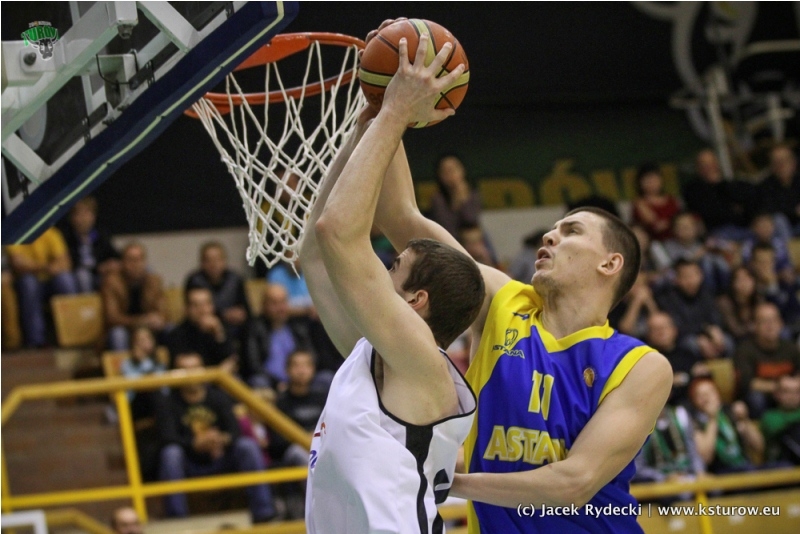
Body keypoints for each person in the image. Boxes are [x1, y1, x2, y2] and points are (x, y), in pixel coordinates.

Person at [368, 21, 672, 533]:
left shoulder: (640, 366)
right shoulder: (505, 301)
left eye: (571, 231)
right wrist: (387, 103)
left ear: (610, 263)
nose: (550, 236)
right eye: (552, 229)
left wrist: (443, 479)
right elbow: (401, 218)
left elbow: (573, 483)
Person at [298, 37, 484, 533]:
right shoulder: (377, 354)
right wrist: (370, 124)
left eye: (394, 264)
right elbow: (314, 255)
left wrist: (396, 113)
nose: (381, 268)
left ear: (417, 301)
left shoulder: (421, 361)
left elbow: (336, 233)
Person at [155, 351, 276, 523]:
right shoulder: (167, 401)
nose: (190, 374)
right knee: (171, 453)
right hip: (190, 462)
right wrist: (195, 444)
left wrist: (220, 439)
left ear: (204, 370)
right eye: (184, 369)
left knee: (247, 446)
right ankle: (177, 520)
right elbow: (167, 437)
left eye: (195, 368)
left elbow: (234, 431)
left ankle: (264, 512)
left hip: (221, 456)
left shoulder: (217, 396)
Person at [268, 350, 328, 519]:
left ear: (313, 369)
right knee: (298, 452)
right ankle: (318, 501)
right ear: (287, 370)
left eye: (306, 365)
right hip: (294, 453)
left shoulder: (324, 398)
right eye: (296, 366)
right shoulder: (280, 403)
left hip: (323, 446)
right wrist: (303, 440)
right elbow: (276, 442)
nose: (301, 371)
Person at [5, 227, 78, 347]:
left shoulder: (51, 233)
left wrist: (46, 268)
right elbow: (18, 263)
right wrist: (45, 267)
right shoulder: (16, 233)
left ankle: (74, 334)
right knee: (29, 283)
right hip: (24, 281)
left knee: (65, 279)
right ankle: (36, 340)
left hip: (49, 280)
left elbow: (65, 262)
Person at [240, 284, 317, 390]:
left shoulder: (298, 327)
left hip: (301, 379)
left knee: (325, 379)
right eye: (274, 303)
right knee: (259, 382)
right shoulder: (253, 329)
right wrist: (276, 383)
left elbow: (311, 355)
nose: (280, 308)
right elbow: (253, 365)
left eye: (283, 302)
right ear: (264, 305)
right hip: (270, 382)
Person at [655, 259, 734, 360]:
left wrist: (715, 330)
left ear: (701, 276)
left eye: (694, 275)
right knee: (691, 345)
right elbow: (677, 327)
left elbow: (715, 317)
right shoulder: (669, 298)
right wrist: (702, 335)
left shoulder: (706, 293)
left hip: (706, 335)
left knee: (727, 342)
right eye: (686, 276)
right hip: (684, 338)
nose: (690, 280)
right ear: (676, 279)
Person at [734, 302, 800, 418]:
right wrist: (779, 387)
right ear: (755, 326)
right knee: (756, 398)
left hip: (790, 394)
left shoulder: (790, 348)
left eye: (774, 320)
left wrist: (794, 385)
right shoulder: (745, 350)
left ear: (781, 324)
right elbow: (748, 383)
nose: (770, 326)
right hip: (764, 398)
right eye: (764, 321)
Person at [688, 377, 764, 474]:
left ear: (718, 394)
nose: (707, 398)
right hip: (720, 473)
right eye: (701, 395)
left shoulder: (730, 412)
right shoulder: (695, 423)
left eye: (710, 392)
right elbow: (706, 458)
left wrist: (745, 419)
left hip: (745, 467)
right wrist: (712, 418)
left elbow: (759, 446)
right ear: (694, 401)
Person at [102, 242, 167, 350]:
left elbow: (164, 311)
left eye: (140, 259)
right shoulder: (111, 282)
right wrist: (140, 321)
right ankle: (121, 361)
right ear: (122, 262)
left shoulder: (154, 281)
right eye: (131, 260)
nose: (136, 264)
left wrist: (159, 319)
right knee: (118, 334)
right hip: (125, 329)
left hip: (148, 328)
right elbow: (112, 317)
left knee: (169, 329)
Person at [184, 242, 250, 344]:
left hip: (234, 327)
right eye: (209, 260)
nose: (213, 264)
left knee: (251, 328)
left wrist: (241, 314)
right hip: (202, 326)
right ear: (202, 262)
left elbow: (247, 309)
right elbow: (191, 311)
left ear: (224, 261)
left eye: (217, 259)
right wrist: (223, 315)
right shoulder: (195, 280)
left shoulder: (235, 279)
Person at [167, 287, 235, 371]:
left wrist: (219, 333)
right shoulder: (177, 333)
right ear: (187, 309)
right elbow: (185, 363)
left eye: (206, 304)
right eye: (196, 305)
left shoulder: (221, 327)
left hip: (221, 377)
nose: (202, 310)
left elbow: (232, 360)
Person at [61, 196, 120, 292]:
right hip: (77, 273)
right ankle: (87, 301)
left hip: (98, 273)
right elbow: (70, 262)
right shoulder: (66, 236)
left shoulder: (100, 234)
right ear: (71, 217)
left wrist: (112, 264)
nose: (83, 219)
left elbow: (113, 254)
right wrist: (96, 268)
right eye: (79, 214)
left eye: (87, 213)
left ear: (94, 216)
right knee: (83, 275)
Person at [757, 144, 800, 236]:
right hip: (780, 229)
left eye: (785, 160)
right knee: (779, 219)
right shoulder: (765, 185)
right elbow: (769, 209)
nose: (782, 165)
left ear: (793, 162)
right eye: (777, 162)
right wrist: (794, 211)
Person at [631, 163, 680, 242]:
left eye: (655, 179)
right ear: (640, 183)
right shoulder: (639, 203)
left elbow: (679, 220)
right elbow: (655, 225)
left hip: (676, 241)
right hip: (650, 242)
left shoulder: (671, 200)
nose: (652, 183)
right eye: (648, 180)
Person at [761, 374, 800, 465]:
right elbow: (776, 428)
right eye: (787, 391)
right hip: (781, 461)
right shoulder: (770, 416)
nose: (792, 396)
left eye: (797, 392)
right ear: (776, 394)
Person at [716, 266, 763, 341]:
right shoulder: (724, 302)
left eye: (747, 279)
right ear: (733, 283)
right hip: (732, 339)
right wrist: (754, 327)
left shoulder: (758, 299)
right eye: (740, 279)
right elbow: (735, 331)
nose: (744, 284)